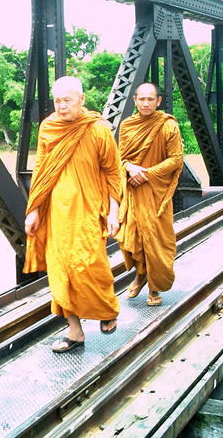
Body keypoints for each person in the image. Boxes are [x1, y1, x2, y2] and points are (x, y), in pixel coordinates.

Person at [23, 76, 122, 353]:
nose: (62, 106)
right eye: (57, 101)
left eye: (67, 100)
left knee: (89, 264)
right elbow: (41, 171)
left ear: (82, 99)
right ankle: (75, 331)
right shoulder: (48, 128)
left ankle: (106, 308)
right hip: (56, 212)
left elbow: (113, 172)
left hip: (89, 208)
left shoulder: (98, 129)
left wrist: (114, 211)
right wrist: (33, 211)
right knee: (61, 271)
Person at [116, 83, 183, 307]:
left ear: (159, 101)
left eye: (150, 99)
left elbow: (175, 159)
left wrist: (146, 174)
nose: (146, 103)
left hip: (157, 192)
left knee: (156, 239)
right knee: (131, 238)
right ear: (134, 100)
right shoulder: (128, 126)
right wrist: (129, 169)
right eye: (142, 99)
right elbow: (120, 158)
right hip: (133, 191)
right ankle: (140, 274)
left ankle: (154, 287)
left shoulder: (168, 125)